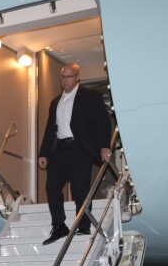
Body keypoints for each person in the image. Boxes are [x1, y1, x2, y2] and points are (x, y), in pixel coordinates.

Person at [37, 62, 113, 245]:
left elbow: (103, 122)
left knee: (80, 189)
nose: (65, 80)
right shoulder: (55, 102)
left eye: (69, 76)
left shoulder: (90, 96)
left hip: (80, 149)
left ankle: (83, 226)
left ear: (77, 77)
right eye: (62, 77)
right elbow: (50, 129)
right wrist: (44, 153)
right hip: (60, 149)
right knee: (53, 186)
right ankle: (59, 226)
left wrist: (104, 145)